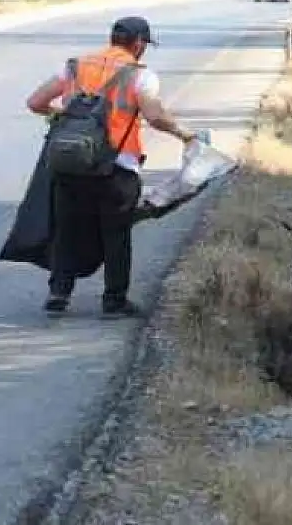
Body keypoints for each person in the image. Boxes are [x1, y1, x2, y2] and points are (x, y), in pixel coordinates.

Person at [25, 16, 198, 317]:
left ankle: (59, 292)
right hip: (117, 167)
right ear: (138, 44)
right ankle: (114, 300)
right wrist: (185, 135)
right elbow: (155, 116)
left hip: (71, 165)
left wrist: (64, 117)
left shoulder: (75, 66)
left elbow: (36, 102)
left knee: (67, 229)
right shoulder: (140, 75)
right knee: (116, 234)